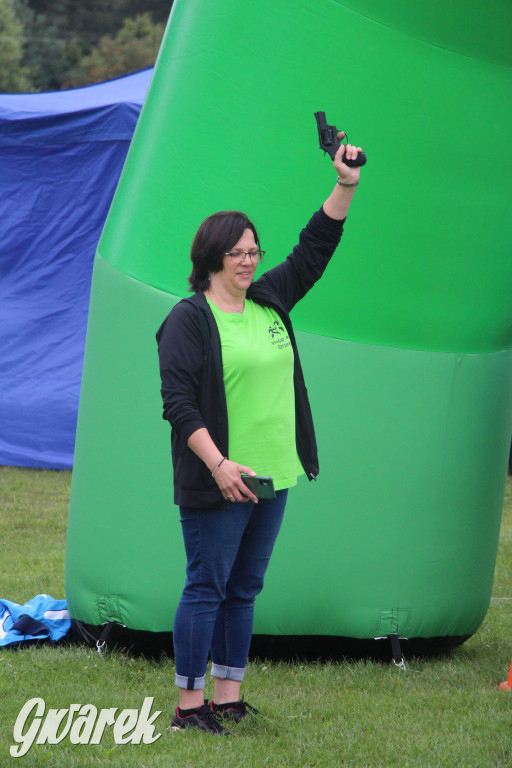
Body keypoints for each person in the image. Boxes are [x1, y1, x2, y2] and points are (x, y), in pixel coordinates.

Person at [156, 133, 362, 734]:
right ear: (213, 257)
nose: (249, 260)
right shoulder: (189, 318)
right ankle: (189, 708)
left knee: (244, 589)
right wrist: (220, 466)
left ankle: (228, 697)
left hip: (277, 471)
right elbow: (178, 404)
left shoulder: (271, 301)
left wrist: (344, 184)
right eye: (238, 253)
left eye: (254, 251)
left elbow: (314, 248)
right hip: (221, 477)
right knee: (207, 587)